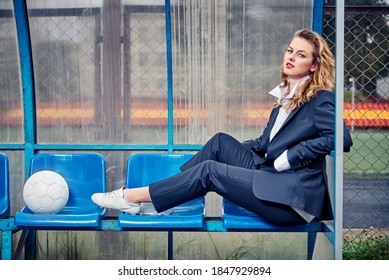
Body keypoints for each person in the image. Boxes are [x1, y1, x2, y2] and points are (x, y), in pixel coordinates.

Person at [92, 29, 353, 226]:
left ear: (315, 65)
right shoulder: (287, 96)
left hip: (290, 201)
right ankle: (164, 202)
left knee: (209, 172)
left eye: (301, 54)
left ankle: (134, 197)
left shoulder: (320, 98)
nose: (291, 57)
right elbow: (265, 146)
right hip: (272, 178)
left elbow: (341, 138)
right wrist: (235, 154)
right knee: (219, 142)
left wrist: (292, 156)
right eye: (290, 50)